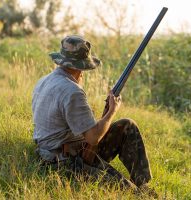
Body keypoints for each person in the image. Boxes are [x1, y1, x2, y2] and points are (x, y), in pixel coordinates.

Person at [32, 35, 155, 194]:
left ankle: (142, 183)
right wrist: (111, 112)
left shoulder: (44, 80)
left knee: (127, 125)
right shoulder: (72, 91)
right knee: (131, 193)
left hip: (58, 151)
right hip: (65, 162)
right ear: (80, 67)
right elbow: (93, 138)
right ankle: (141, 192)